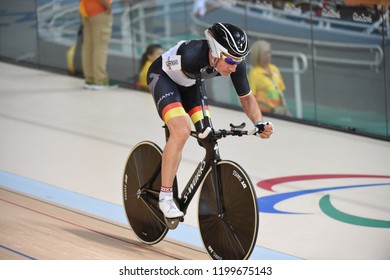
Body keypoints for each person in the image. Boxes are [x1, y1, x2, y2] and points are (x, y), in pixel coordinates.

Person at [146, 22, 274, 219]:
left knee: (208, 135)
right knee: (181, 131)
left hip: (191, 85)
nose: (234, 67)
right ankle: (165, 197)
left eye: (238, 61)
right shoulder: (192, 55)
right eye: (230, 61)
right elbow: (193, 86)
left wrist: (258, 123)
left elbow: (247, 97)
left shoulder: (234, 64)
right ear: (215, 53)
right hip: (164, 79)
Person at [79, 0, 118, 90]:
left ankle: (90, 79)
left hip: (86, 11)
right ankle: (100, 80)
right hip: (99, 11)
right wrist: (107, 5)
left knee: (88, 47)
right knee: (100, 46)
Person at [248, 40, 291, 116]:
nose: (269, 55)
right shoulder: (254, 73)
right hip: (265, 113)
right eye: (266, 53)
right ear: (258, 55)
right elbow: (251, 98)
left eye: (269, 52)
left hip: (278, 112)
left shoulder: (274, 69)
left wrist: (285, 109)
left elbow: (280, 92)